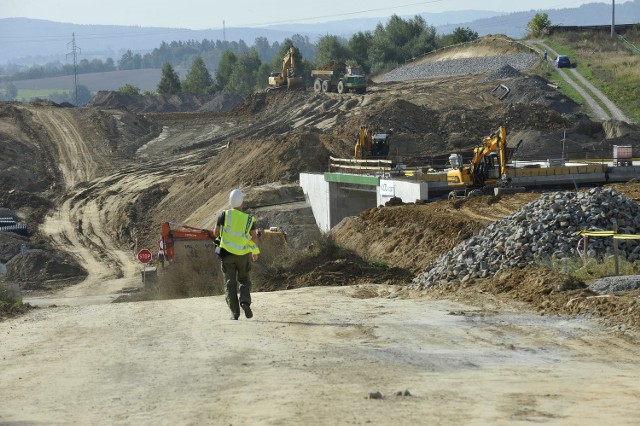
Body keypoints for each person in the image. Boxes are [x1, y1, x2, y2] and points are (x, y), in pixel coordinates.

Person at [213, 189, 260, 320]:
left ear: (230, 202)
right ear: (242, 204)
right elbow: (254, 237)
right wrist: (254, 252)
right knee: (244, 279)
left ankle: (235, 313)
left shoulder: (224, 215)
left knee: (230, 283)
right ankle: (244, 301)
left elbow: (215, 233)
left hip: (227, 255)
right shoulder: (249, 219)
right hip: (243, 255)